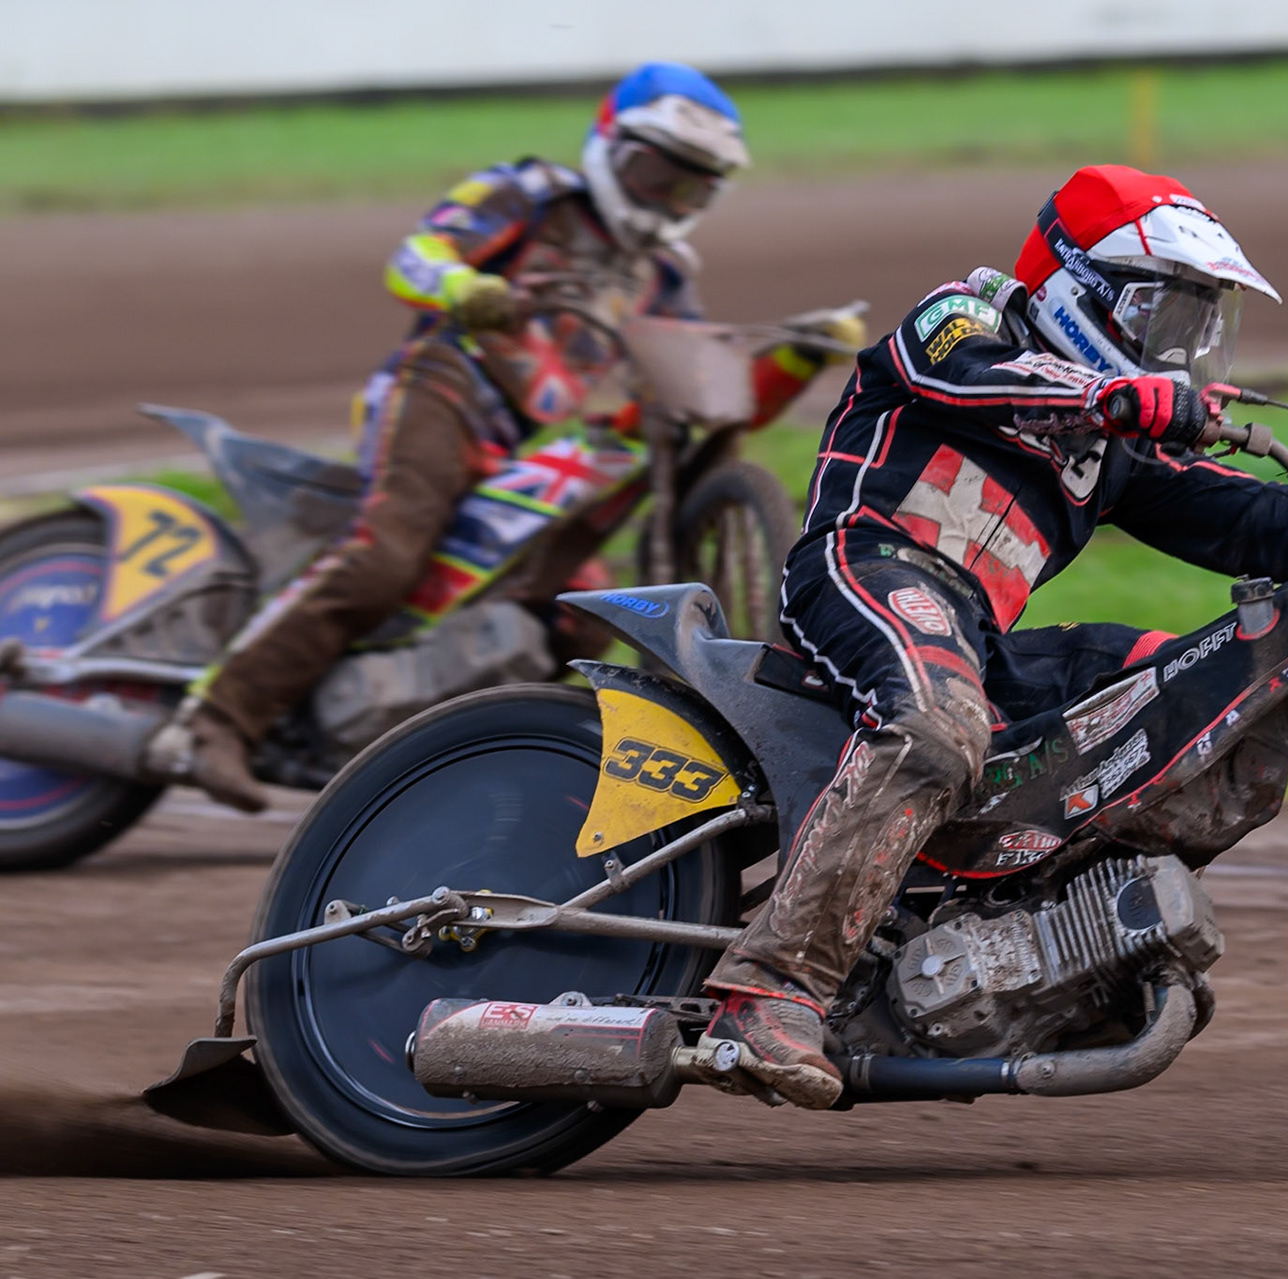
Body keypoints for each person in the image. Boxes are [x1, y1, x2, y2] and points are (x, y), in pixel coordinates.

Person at [700, 163, 1288, 1108]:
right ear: (1078, 288)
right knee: (939, 728)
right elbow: (973, 376)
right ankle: (769, 989)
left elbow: (1246, 519)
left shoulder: (1113, 447)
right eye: (1165, 314)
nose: (1181, 348)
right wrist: (1112, 397)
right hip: (866, 566)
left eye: (1200, 323)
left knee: (1195, 695)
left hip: (976, 636)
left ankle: (1061, 946)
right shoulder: (961, 317)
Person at [155, 62, 846, 811]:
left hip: (544, 445)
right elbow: (416, 257)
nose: (665, 200)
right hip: (447, 387)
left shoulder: (667, 279)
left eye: (691, 188)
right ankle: (215, 718)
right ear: (609, 146)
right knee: (386, 556)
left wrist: (796, 360)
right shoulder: (529, 194)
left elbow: (687, 397)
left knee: (572, 613)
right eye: (655, 174)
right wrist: (465, 287)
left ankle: (455, 761)